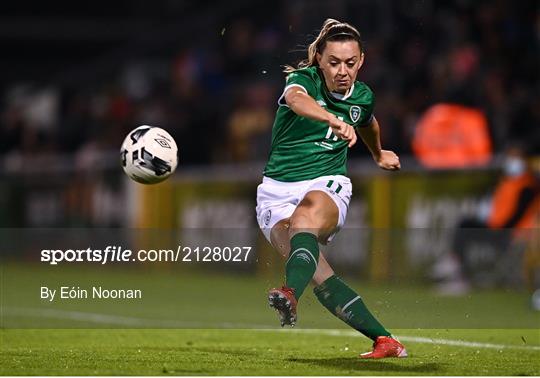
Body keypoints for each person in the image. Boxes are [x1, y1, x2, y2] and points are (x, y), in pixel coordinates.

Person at [255, 19, 407, 359]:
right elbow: (296, 101)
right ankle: (386, 341)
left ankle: (288, 293)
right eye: (335, 62)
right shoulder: (302, 81)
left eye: (350, 63)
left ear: (361, 61)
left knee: (305, 218)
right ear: (320, 60)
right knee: (319, 273)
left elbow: (368, 122)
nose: (343, 71)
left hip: (326, 183)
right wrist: (332, 119)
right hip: (275, 192)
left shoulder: (363, 95)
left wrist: (378, 152)